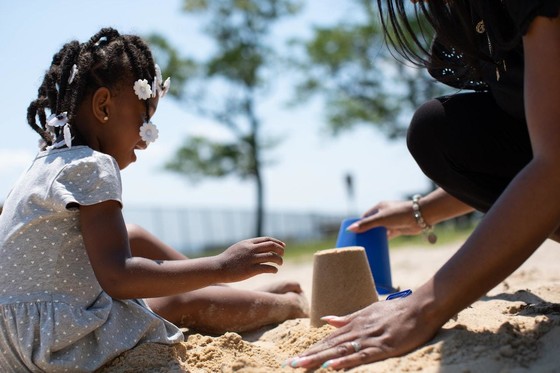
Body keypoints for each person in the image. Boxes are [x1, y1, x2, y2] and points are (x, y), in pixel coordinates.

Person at [0, 27, 308, 372]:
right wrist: (224, 264)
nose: (147, 141)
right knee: (179, 299)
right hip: (62, 345)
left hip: (14, 340)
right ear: (103, 105)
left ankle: (231, 291)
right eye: (145, 122)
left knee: (133, 236)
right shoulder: (93, 166)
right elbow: (118, 278)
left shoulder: (40, 167)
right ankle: (287, 306)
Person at [285, 0, 560, 370]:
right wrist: (423, 211)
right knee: (437, 131)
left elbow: (553, 166)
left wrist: (423, 307)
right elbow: (530, 144)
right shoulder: (473, 18)